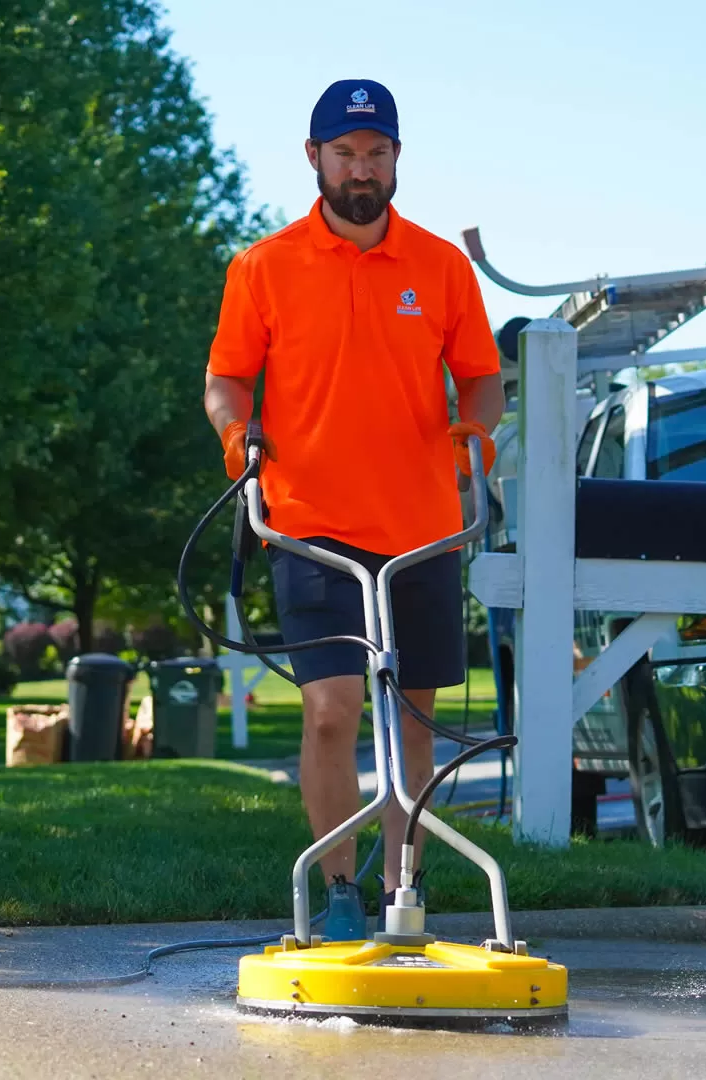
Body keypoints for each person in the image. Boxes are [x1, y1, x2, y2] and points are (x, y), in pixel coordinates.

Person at [203, 78, 504, 941]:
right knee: (333, 709)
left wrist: (472, 439)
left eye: (377, 154)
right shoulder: (263, 268)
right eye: (346, 155)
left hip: (422, 528)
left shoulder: (440, 266)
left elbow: (481, 377)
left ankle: (403, 894)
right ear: (315, 159)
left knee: (413, 723)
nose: (362, 171)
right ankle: (338, 890)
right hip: (310, 525)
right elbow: (227, 380)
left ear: (397, 158)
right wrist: (240, 440)